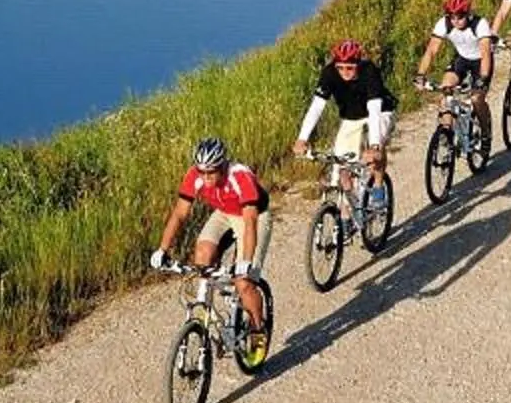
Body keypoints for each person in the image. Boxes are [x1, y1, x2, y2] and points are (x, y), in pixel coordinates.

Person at [150, 137, 269, 337]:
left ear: (222, 166)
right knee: (202, 258)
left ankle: (258, 329)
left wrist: (245, 262)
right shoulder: (194, 175)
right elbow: (179, 213)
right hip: (224, 212)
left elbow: (249, 223)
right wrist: (162, 250)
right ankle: (212, 305)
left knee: (243, 283)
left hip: (254, 216)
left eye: (211, 171)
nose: (205, 177)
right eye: (201, 171)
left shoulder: (240, 176)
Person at [294, 37, 394, 198]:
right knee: (341, 168)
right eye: (340, 68)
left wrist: (374, 145)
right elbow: (316, 108)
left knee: (376, 152)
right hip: (351, 117)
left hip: (380, 112)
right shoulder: (329, 73)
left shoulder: (369, 72)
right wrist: (302, 139)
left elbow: (374, 109)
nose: (344, 73)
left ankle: (378, 185)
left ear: (358, 64)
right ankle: (347, 217)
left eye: (349, 68)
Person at [411, 0, 495, 150]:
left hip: (481, 61)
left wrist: (483, 79)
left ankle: (485, 133)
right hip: (461, 59)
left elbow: (485, 53)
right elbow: (431, 50)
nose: (456, 21)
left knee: (477, 99)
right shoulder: (444, 23)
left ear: (468, 13)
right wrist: (421, 74)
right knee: (446, 89)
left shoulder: (480, 24)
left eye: (460, 16)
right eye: (452, 16)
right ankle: (446, 131)